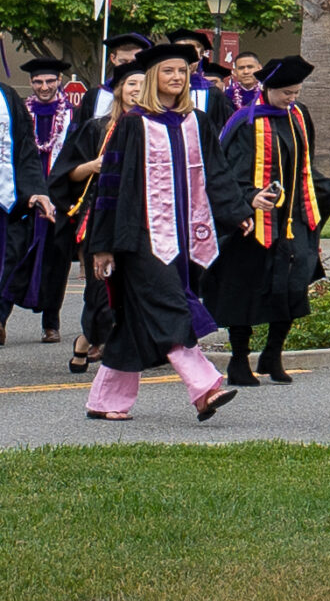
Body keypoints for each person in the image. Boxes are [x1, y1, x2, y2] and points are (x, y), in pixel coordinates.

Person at [84, 45, 258, 421]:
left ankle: (106, 401)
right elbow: (110, 188)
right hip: (141, 237)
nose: (177, 78)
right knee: (171, 306)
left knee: (133, 321)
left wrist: (237, 211)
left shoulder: (197, 121)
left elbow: (218, 172)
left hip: (186, 236)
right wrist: (103, 246)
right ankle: (205, 388)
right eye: (168, 72)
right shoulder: (133, 124)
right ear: (152, 79)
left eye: (182, 71)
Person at [207, 57, 330, 385]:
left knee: (294, 288)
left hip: (292, 219)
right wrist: (250, 197)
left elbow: (303, 166)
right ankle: (238, 361)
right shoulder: (246, 122)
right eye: (285, 93)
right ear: (268, 89)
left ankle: (272, 353)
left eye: (295, 92)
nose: (291, 98)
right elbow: (225, 173)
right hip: (253, 224)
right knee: (245, 292)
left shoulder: (297, 115)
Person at [51, 67, 147, 372]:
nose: (138, 89)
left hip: (142, 219)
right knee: (100, 289)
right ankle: (91, 337)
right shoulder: (97, 128)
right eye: (132, 83)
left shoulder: (156, 128)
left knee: (134, 289)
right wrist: (93, 165)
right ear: (119, 89)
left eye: (144, 84)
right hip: (100, 218)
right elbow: (67, 174)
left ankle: (97, 343)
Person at [0, 57, 80, 343]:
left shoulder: (74, 116)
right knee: (13, 257)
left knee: (55, 263)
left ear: (59, 80)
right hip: (22, 198)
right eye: (37, 82)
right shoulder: (20, 111)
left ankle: (51, 323)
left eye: (49, 81)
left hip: (59, 200)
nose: (44, 86)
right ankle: (1, 318)